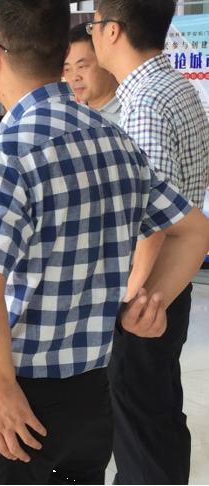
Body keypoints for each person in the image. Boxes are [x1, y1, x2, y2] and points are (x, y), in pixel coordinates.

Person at [0, 0, 209, 484]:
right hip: (91, 397)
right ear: (60, 54)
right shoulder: (115, 140)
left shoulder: (7, 155)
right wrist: (148, 302)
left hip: (17, 398)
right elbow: (194, 230)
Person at [89, 0, 209, 482]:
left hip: (148, 293)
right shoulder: (177, 86)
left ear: (114, 31)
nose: (91, 34)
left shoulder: (143, 104)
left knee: (138, 421)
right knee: (159, 408)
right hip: (175, 283)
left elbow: (152, 220)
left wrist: (128, 297)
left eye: (94, 25)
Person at [63, 22, 120, 123]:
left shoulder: (130, 113)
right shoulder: (71, 116)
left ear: (107, 63)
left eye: (81, 66)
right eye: (67, 69)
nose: (74, 77)